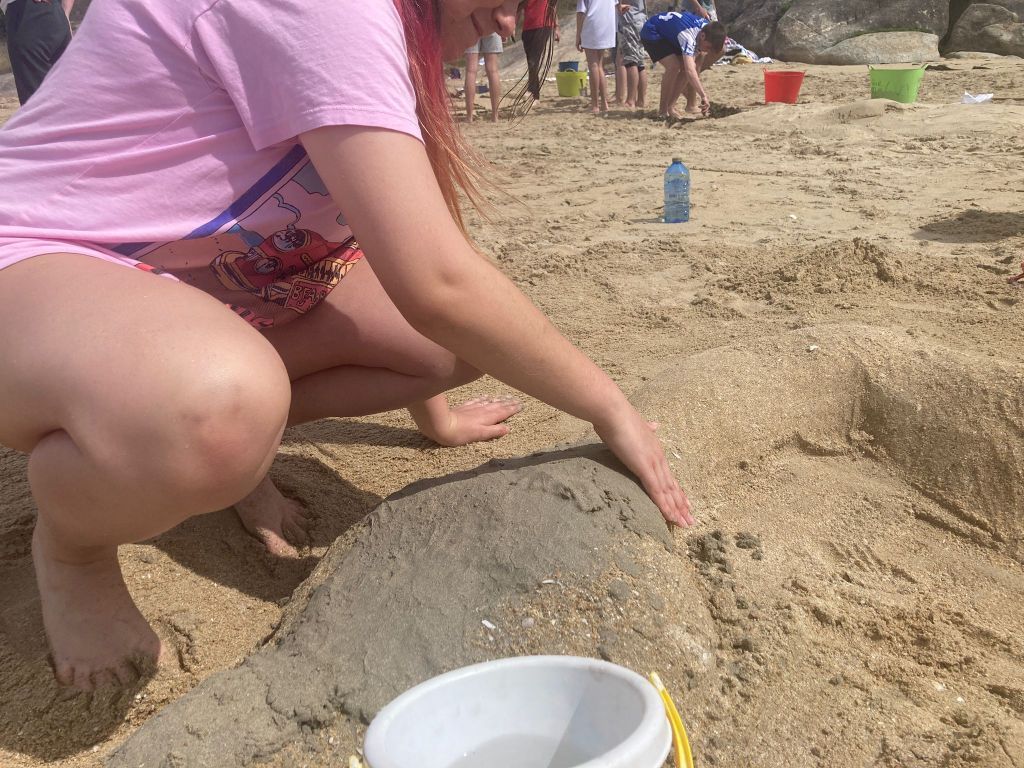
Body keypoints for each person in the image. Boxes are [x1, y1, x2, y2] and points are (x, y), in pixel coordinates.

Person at [0, 0, 692, 690]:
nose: (513, 25)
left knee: (447, 349)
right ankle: (75, 547)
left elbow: (430, 261)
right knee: (217, 409)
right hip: (41, 262)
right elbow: (437, 284)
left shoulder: (392, 31)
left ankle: (226, 443)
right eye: (509, 1)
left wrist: (439, 411)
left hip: (203, 282)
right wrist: (609, 404)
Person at [641, 11, 725, 118]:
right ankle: (662, 111)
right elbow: (690, 70)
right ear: (702, 36)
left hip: (671, 35)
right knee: (673, 66)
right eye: (708, 47)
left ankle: (670, 107)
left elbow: (689, 69)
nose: (707, 51)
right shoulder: (688, 36)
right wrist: (703, 95)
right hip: (652, 31)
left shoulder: (707, 28)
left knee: (685, 69)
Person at [1, 0, 74, 104]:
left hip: (26, 17)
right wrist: (65, 14)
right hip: (57, 15)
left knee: (38, 107)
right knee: (66, 100)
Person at [575, 0, 616, 114]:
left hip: (592, 23)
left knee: (593, 65)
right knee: (599, 65)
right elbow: (616, 5)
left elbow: (580, 12)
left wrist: (578, 35)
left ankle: (595, 105)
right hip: (607, 23)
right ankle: (604, 102)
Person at [518, 0, 559, 103]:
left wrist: (557, 27)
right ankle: (533, 93)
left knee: (533, 61)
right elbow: (518, 7)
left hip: (543, 25)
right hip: (527, 27)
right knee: (531, 62)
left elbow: (553, 7)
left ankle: (533, 93)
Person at [464, 32, 503, 122]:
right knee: (493, 70)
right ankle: (495, 115)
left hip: (471, 25)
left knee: (471, 71)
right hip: (492, 25)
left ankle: (469, 116)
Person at [617, 0, 648, 109]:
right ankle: (641, 100)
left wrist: (618, 5)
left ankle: (630, 100)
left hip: (629, 19)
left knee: (631, 62)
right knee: (640, 63)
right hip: (641, 18)